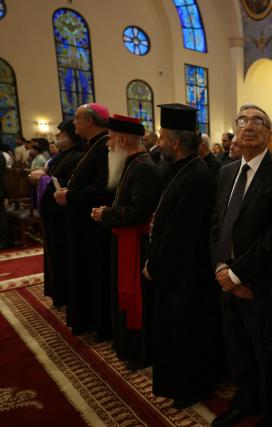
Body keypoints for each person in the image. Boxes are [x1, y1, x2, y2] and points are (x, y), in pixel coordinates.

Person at [209, 104, 272, 427]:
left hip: (260, 284)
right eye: (243, 120)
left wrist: (237, 274)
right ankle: (245, 401)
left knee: (265, 354)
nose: (249, 126)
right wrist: (220, 267)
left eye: (258, 121)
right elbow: (217, 225)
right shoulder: (227, 171)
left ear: (269, 131)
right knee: (237, 349)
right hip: (226, 280)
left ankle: (271, 412)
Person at [142, 104, 224, 408]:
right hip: (175, 273)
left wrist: (155, 264)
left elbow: (180, 235)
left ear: (175, 143)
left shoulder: (196, 176)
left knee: (186, 336)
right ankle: (179, 385)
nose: (158, 142)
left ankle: (191, 388)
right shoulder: (180, 170)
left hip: (185, 275)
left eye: (162, 137)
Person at [91, 114, 162, 370]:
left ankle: (140, 351)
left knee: (138, 301)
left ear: (122, 139)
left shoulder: (144, 166)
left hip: (137, 245)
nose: (108, 144)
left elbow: (139, 213)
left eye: (110, 139)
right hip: (125, 241)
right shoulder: (132, 163)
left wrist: (106, 214)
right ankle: (128, 346)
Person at [54, 103, 114, 339]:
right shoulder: (93, 146)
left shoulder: (104, 147)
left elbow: (102, 189)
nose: (74, 123)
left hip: (93, 227)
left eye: (77, 119)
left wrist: (70, 195)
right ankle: (88, 319)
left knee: (94, 273)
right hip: (82, 224)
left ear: (90, 121)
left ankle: (99, 323)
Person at [40, 118, 85, 306]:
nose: (58, 136)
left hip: (62, 214)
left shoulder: (77, 155)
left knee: (62, 255)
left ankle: (64, 294)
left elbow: (64, 183)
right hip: (53, 214)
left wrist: (42, 179)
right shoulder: (62, 155)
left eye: (63, 133)